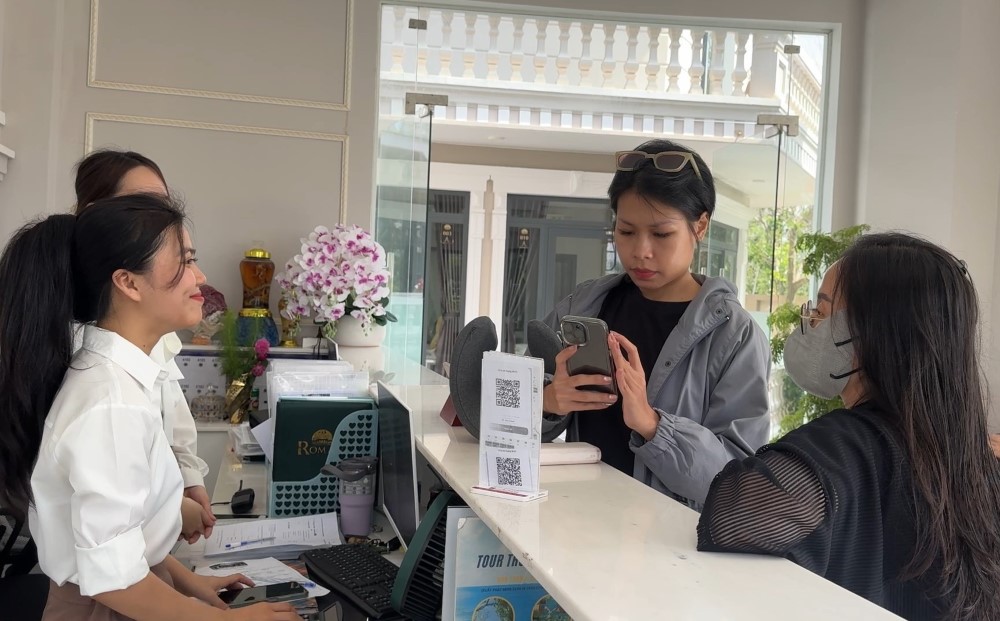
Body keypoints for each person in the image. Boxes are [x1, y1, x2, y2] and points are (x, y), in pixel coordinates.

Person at [0, 194, 297, 620]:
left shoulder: (119, 381)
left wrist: (188, 582)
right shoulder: (111, 404)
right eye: (185, 261)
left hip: (130, 591)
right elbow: (113, 578)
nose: (200, 276)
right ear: (129, 282)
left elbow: (119, 536)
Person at [697, 233, 1000, 620]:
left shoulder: (849, 444)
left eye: (822, 311)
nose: (810, 323)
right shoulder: (974, 459)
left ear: (871, 333)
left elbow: (732, 518)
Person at [539, 139, 771, 509]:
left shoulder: (734, 337)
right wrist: (547, 402)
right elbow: (506, 410)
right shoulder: (584, 305)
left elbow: (737, 481)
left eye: (661, 234)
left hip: (667, 540)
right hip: (577, 520)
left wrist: (652, 425)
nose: (640, 251)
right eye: (626, 231)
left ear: (700, 225)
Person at [74, 149, 216, 542]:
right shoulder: (103, 388)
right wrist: (169, 508)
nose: (199, 277)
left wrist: (188, 479)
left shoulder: (149, 334)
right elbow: (108, 527)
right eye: (142, 202)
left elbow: (170, 416)